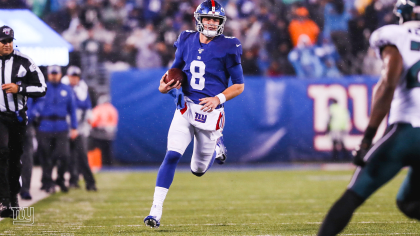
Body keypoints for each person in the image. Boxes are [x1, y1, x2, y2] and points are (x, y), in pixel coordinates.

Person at [318, 0, 420, 234]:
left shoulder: (395, 35)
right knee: (408, 203)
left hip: (408, 131)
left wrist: (367, 139)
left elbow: (388, 83)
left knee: (353, 195)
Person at [143, 0, 245, 228]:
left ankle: (218, 139)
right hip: (186, 108)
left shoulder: (229, 45)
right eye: (207, 18)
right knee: (171, 155)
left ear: (221, 22)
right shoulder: (186, 39)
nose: (210, 22)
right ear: (199, 19)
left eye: (215, 19)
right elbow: (174, 71)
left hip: (211, 113)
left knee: (198, 170)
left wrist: (218, 98)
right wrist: (164, 86)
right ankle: (155, 210)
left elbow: (239, 85)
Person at [0, 25, 47, 217]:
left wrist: (19, 89)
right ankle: (4, 201)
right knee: (1, 152)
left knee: (14, 159)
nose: (7, 45)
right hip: (0, 116)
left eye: (9, 41)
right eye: (3, 42)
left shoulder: (24, 61)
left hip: (18, 117)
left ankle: (12, 198)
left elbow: (42, 88)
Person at [36, 65, 78, 193]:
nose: (54, 75)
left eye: (56, 73)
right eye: (52, 73)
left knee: (64, 155)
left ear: (60, 74)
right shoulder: (42, 88)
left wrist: (74, 127)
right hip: (45, 125)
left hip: (61, 126)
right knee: (46, 156)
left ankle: (60, 178)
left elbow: (72, 109)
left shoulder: (67, 89)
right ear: (48, 74)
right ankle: (48, 182)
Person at [62, 66, 97, 191]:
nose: (74, 79)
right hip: (64, 126)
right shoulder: (62, 88)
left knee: (81, 155)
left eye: (76, 76)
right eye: (72, 76)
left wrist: (88, 118)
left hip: (79, 127)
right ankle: (72, 180)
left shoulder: (83, 88)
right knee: (66, 156)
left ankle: (90, 182)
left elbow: (87, 105)